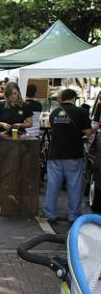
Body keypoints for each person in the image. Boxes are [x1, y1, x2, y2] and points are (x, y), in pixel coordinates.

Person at [43, 89, 99, 225]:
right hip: (73, 154)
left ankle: (50, 214)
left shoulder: (54, 113)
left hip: (55, 154)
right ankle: (73, 216)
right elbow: (88, 132)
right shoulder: (81, 112)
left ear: (62, 98)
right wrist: (95, 128)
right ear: (74, 98)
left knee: (52, 185)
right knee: (74, 185)